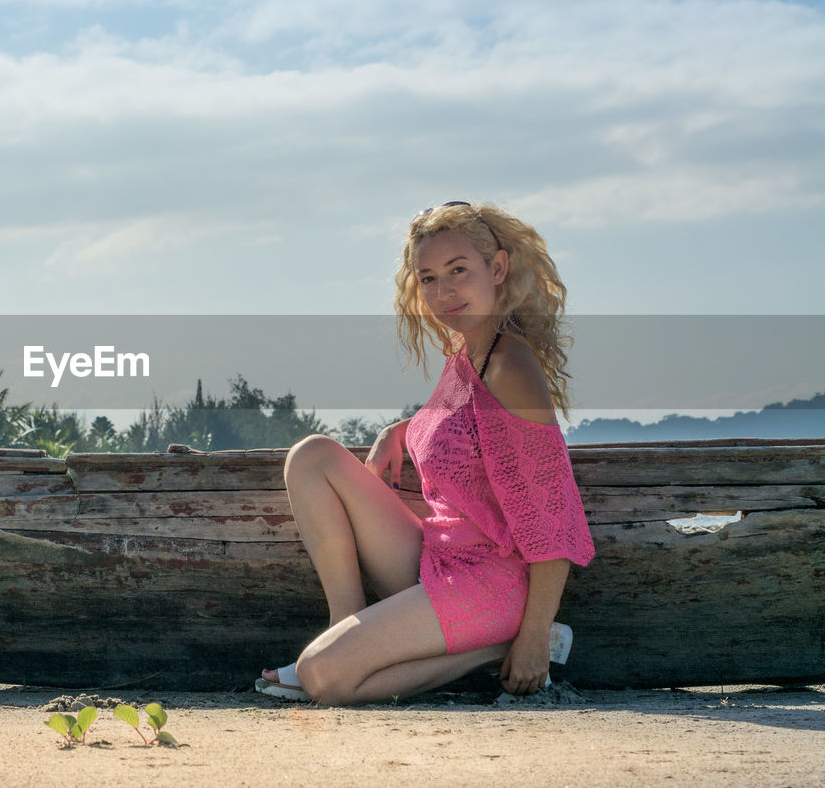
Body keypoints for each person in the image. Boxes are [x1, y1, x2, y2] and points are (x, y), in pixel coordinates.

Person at [255, 201, 596, 705]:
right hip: (441, 557)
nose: (444, 292)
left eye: (459, 271)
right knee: (313, 456)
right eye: (430, 278)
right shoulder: (468, 353)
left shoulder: (512, 366)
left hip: (493, 582)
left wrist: (530, 636)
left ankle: (491, 646)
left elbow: (553, 516)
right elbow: (470, 424)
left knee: (323, 677)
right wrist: (404, 427)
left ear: (497, 269)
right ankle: (344, 625)